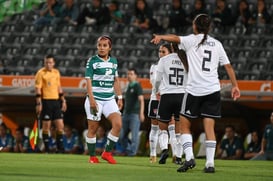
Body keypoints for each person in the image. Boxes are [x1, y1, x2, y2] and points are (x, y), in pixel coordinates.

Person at [151, 13, 240, 173]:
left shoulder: (191, 40)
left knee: (184, 125)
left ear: (194, 26)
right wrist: (235, 86)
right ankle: (210, 164)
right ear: (209, 27)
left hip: (193, 90)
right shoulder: (217, 44)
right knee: (209, 127)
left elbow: (174, 38)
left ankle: (190, 157)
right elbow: (228, 67)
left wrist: (160, 36)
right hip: (213, 90)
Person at [84, 35, 123, 164]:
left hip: (109, 99)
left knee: (118, 124)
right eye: (99, 45)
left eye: (105, 45)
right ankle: (92, 157)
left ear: (109, 47)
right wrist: (91, 99)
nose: (101, 48)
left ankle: (107, 153)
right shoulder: (92, 61)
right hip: (95, 99)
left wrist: (120, 97)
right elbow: (88, 81)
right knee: (93, 129)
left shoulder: (114, 61)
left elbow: (116, 81)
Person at [154, 43, 187, 165]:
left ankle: (164, 150)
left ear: (171, 48)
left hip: (167, 95)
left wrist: (156, 90)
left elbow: (157, 79)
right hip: (182, 96)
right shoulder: (186, 60)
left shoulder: (164, 59)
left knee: (162, 127)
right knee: (180, 130)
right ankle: (178, 157)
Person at [35, 54, 67, 153]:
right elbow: (38, 89)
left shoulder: (56, 72)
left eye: (50, 62)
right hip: (46, 101)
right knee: (46, 126)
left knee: (60, 125)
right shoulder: (40, 73)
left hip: (56, 101)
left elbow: (59, 87)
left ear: (53, 63)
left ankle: (60, 149)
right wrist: (39, 104)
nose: (48, 64)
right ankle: (47, 149)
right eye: (46, 62)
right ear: (44, 63)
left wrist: (63, 100)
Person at [119, 68, 145, 156]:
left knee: (134, 135)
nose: (129, 76)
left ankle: (132, 153)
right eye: (128, 74)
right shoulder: (128, 86)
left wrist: (141, 113)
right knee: (122, 136)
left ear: (135, 76)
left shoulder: (137, 86)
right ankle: (129, 149)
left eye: (131, 74)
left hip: (135, 114)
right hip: (126, 113)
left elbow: (141, 100)